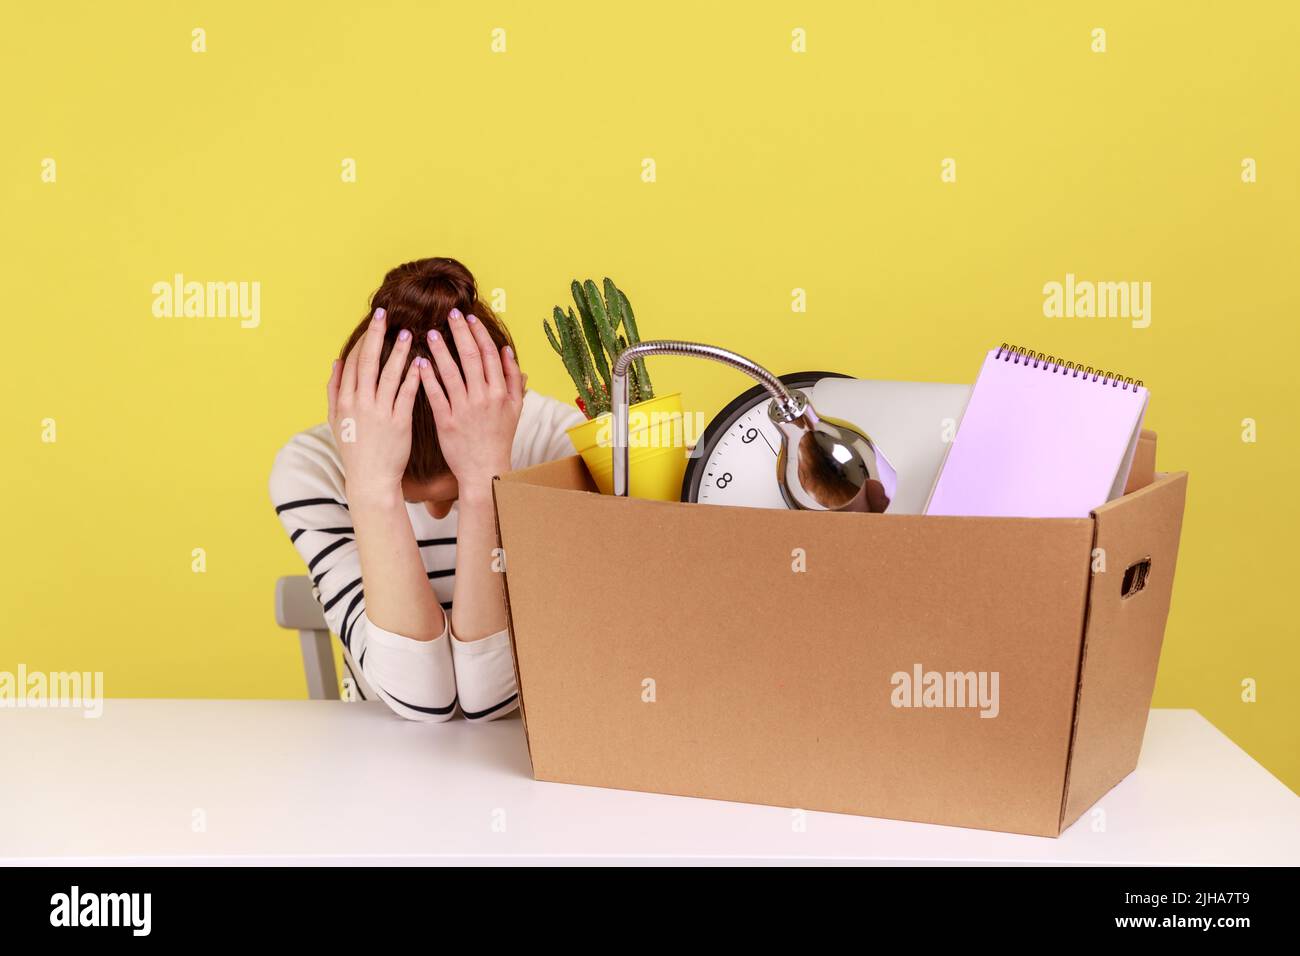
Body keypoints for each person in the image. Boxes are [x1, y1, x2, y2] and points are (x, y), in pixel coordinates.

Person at [269, 258, 583, 721]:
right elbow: (422, 700)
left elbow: (492, 699)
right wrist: (373, 488)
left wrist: (484, 484)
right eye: (411, 496)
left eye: (450, 493)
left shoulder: (562, 448)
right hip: (385, 767)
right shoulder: (313, 467)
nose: (437, 514)